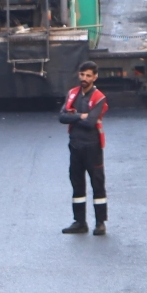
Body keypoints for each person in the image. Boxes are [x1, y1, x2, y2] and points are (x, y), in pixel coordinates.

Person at [59, 62, 108, 236]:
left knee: (97, 185)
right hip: (75, 147)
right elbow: (62, 117)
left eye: (88, 75)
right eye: (82, 75)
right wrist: (80, 115)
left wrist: (73, 116)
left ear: (95, 77)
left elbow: (90, 122)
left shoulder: (98, 97)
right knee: (77, 184)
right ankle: (80, 222)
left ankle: (100, 223)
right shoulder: (72, 94)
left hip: (92, 148)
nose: (84, 79)